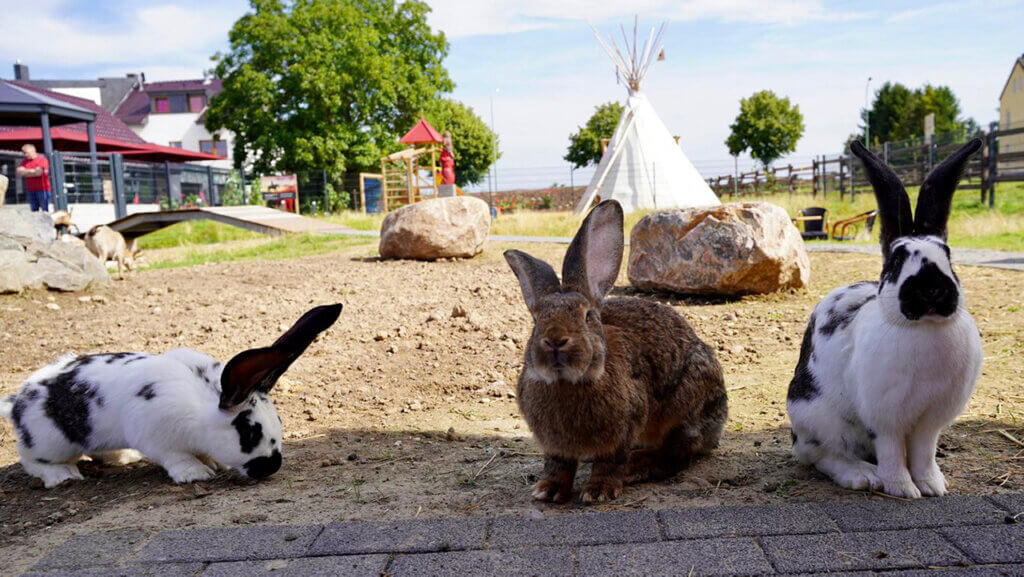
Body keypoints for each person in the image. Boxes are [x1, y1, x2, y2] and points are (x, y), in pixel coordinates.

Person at [16, 144, 51, 212]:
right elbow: (19, 172)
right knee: (34, 211)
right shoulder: (25, 161)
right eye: (24, 153)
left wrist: (26, 172)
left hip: (43, 189)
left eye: (27, 153)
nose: (26, 155)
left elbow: (39, 173)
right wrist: (32, 171)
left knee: (45, 210)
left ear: (33, 151)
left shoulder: (42, 159)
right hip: (31, 189)